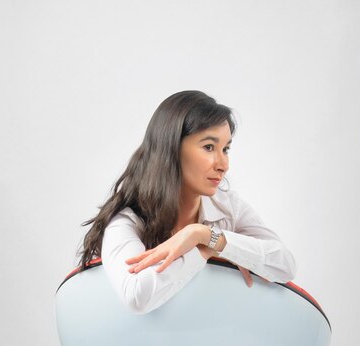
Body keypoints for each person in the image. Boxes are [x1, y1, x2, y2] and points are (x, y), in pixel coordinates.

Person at [77, 90, 297, 315]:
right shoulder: (127, 219)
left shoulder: (228, 206)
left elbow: (285, 266)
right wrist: (203, 249)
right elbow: (137, 296)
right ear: (171, 148)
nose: (223, 164)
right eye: (209, 147)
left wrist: (208, 236)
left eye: (226, 149)